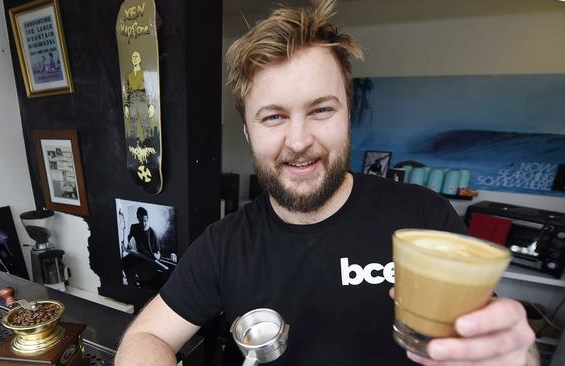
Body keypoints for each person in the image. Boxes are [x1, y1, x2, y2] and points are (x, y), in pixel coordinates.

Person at [115, 1, 536, 365]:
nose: (298, 142)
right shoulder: (222, 246)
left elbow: (493, 341)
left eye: (320, 110)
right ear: (248, 132)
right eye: (273, 116)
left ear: (348, 116)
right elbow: (144, 338)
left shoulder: (424, 219)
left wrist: (516, 355)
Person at [121, 207, 163, 288]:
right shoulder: (134, 227)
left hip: (148, 260)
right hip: (138, 256)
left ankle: (139, 284)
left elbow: (158, 254)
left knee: (144, 277)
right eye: (141, 221)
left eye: (145, 221)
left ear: (147, 219)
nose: (143, 223)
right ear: (138, 218)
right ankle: (132, 284)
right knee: (124, 261)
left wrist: (156, 256)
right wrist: (127, 244)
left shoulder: (153, 234)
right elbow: (129, 237)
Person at [124, 50, 156, 143]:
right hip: (132, 101)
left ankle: (149, 144)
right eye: (133, 57)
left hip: (142, 99)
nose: (134, 59)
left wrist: (151, 105)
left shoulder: (145, 73)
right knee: (133, 125)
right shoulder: (128, 76)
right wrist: (126, 106)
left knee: (146, 123)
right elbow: (127, 92)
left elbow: (150, 90)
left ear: (140, 59)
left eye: (136, 57)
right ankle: (134, 144)